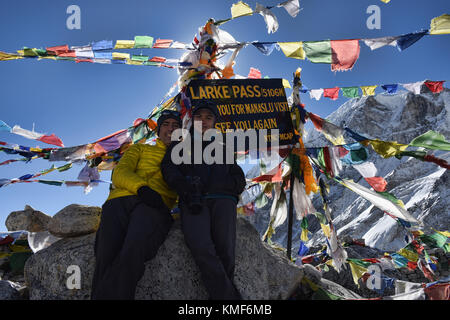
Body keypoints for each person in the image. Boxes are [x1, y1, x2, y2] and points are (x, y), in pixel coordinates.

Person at [91, 110, 182, 300]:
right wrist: (141, 188)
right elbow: (119, 173)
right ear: (158, 131)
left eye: (176, 125)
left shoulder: (184, 158)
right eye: (166, 124)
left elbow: (186, 188)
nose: (171, 129)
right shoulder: (139, 149)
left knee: (133, 251)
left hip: (154, 206)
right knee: (105, 254)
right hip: (120, 201)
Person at [161, 101, 246, 300]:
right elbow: (169, 167)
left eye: (209, 117)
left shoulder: (223, 145)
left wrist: (232, 186)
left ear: (214, 122)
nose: (204, 121)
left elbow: (237, 174)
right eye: (200, 117)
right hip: (193, 200)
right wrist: (183, 186)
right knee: (200, 246)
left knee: (226, 251)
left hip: (223, 200)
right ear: (192, 120)